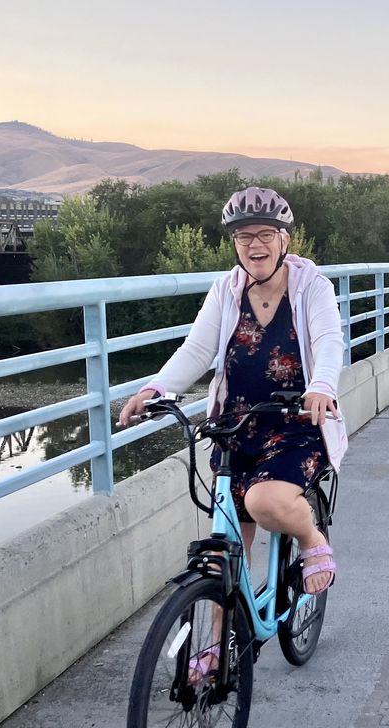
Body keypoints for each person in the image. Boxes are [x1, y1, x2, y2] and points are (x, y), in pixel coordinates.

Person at [118, 187, 346, 606]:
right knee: (223, 552)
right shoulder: (226, 290)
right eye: (244, 237)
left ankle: (312, 539)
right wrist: (156, 388)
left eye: (264, 234)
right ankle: (217, 652)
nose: (254, 244)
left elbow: (330, 341)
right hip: (235, 428)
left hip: (295, 424)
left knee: (264, 501)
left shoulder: (311, 285)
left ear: (284, 240)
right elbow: (197, 350)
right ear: (235, 243)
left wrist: (321, 386)